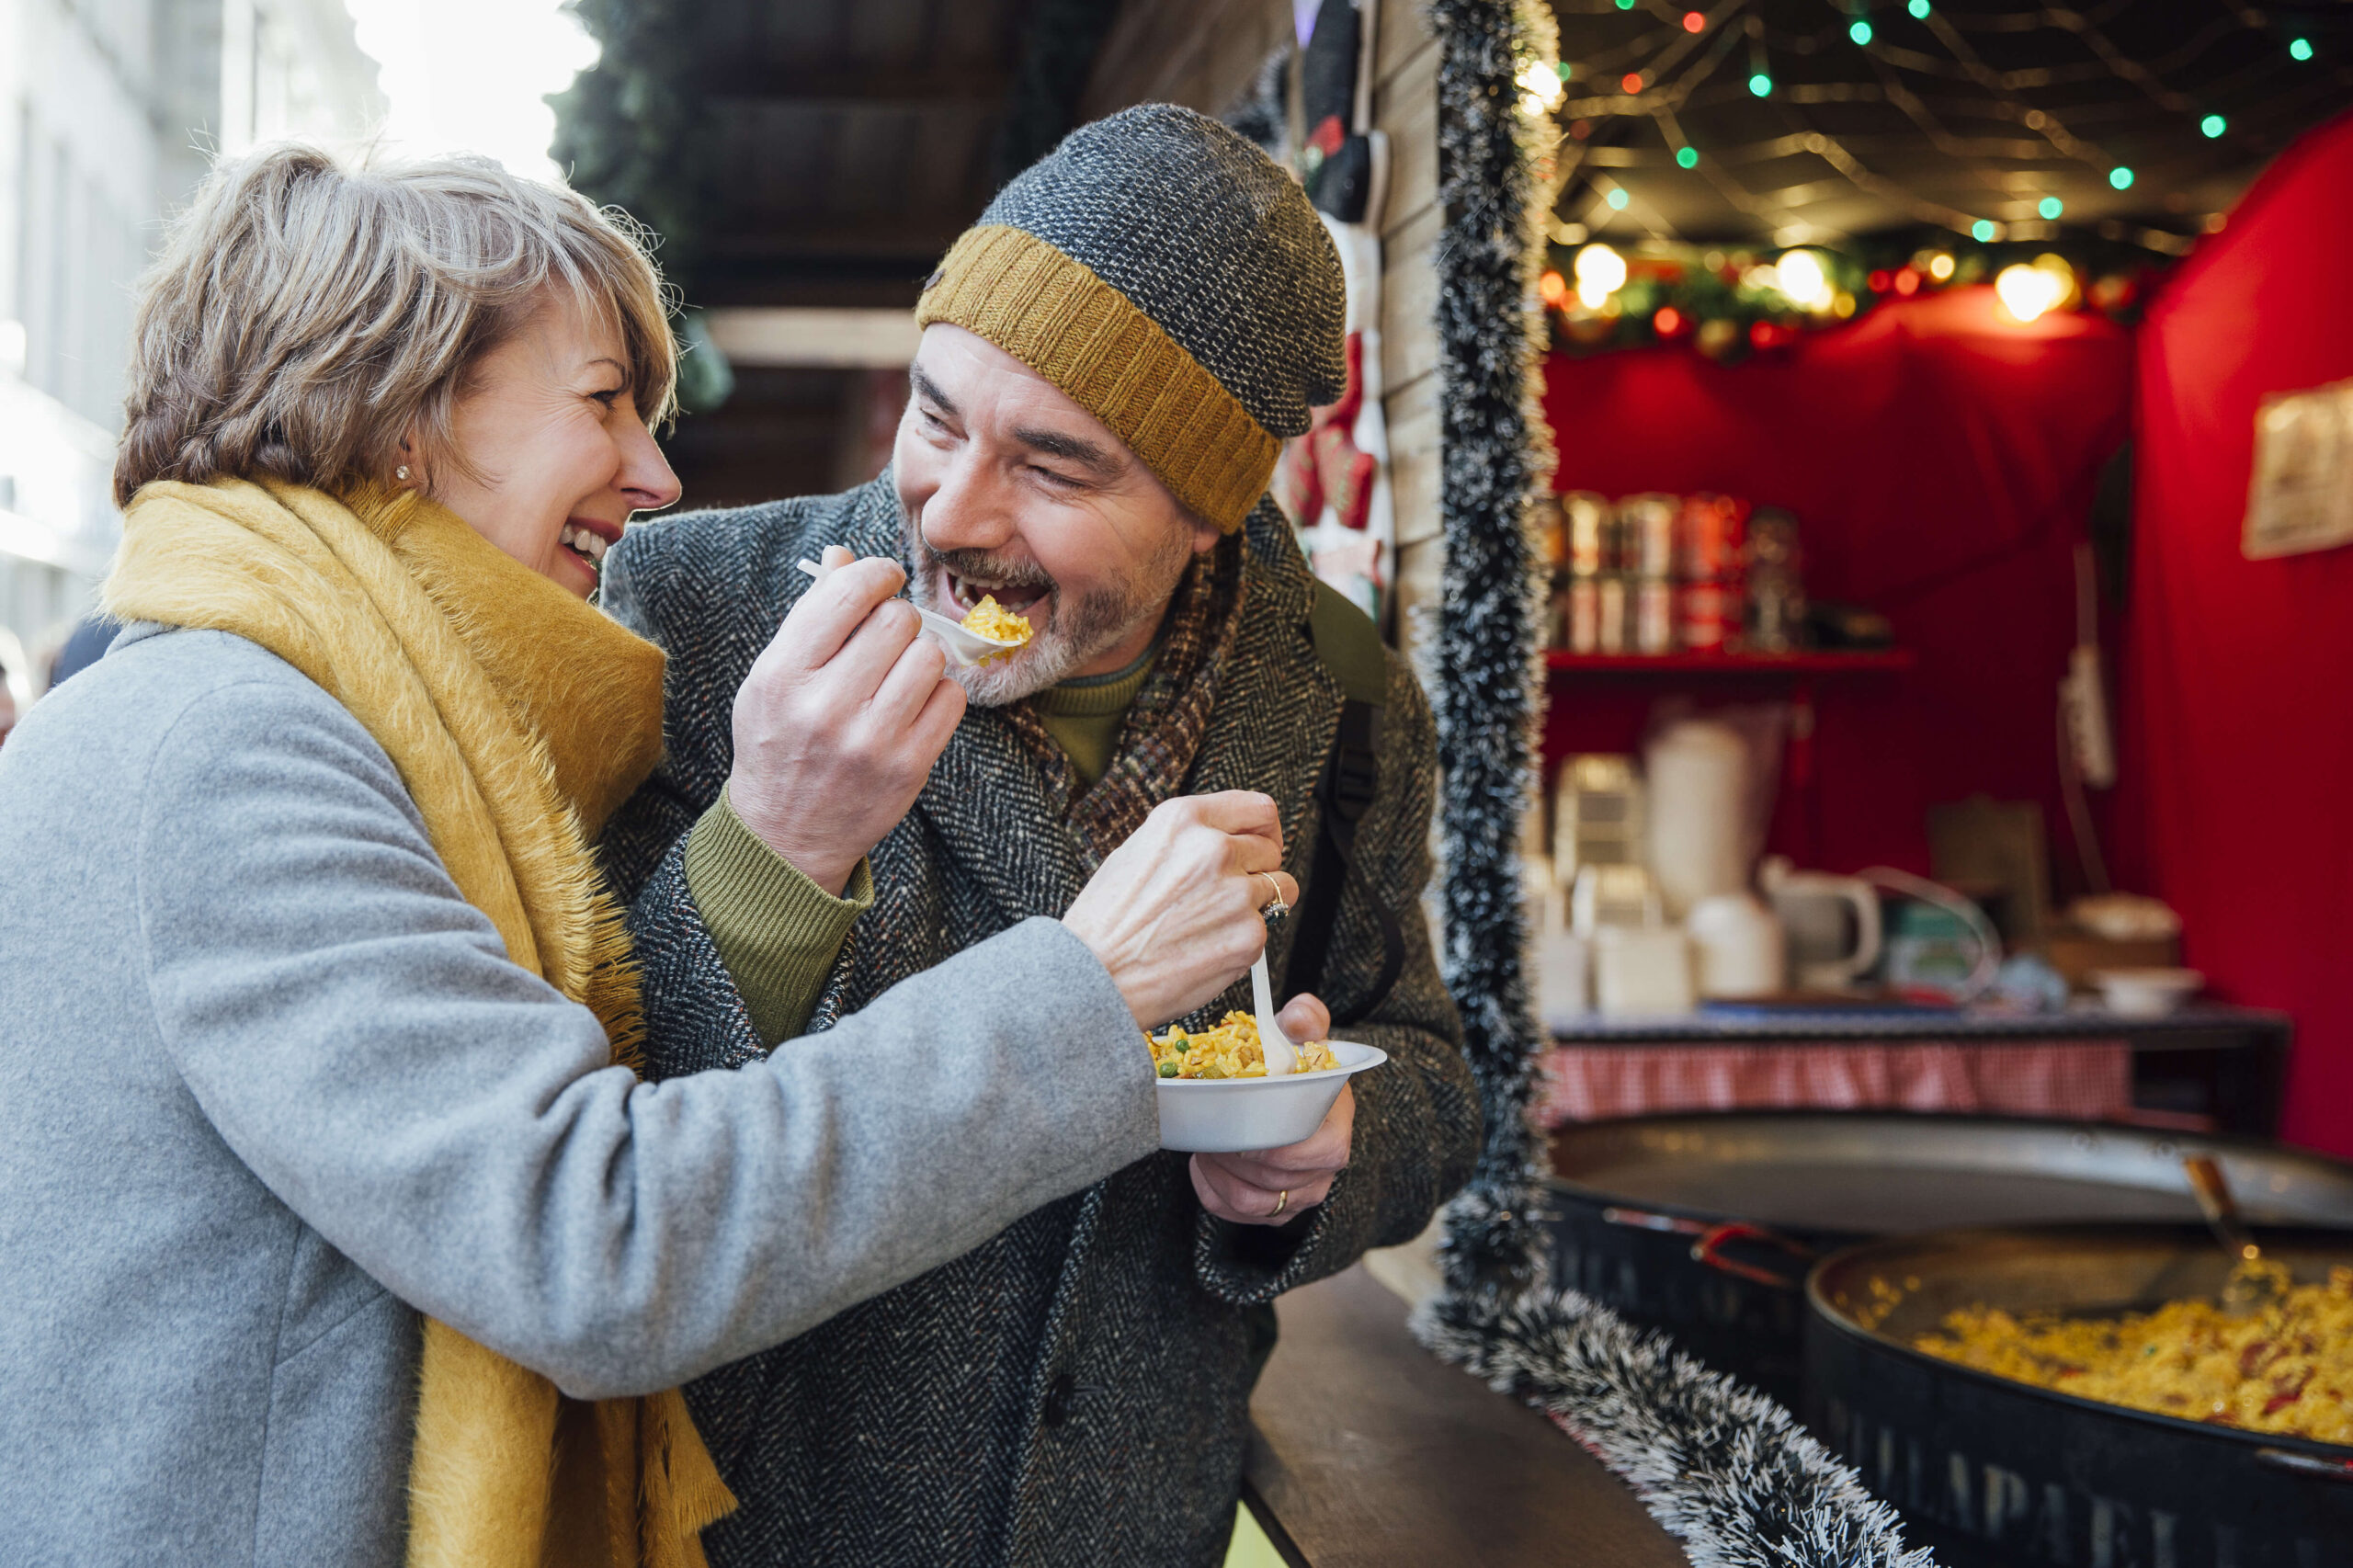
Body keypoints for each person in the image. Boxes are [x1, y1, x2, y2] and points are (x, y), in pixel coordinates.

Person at [0, 145, 1305, 1568]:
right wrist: (1085, 994)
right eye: (605, 399)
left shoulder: (318, 711)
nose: (657, 472)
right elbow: (591, 1239)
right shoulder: (236, 744)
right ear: (399, 414)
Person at [598, 104, 1481, 1567]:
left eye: (1055, 466)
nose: (948, 509)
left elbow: (1438, 1066)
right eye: (935, 413)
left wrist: (1334, 1147)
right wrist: (774, 846)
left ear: (1207, 509)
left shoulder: (1343, 694)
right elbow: (576, 1152)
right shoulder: (693, 616)